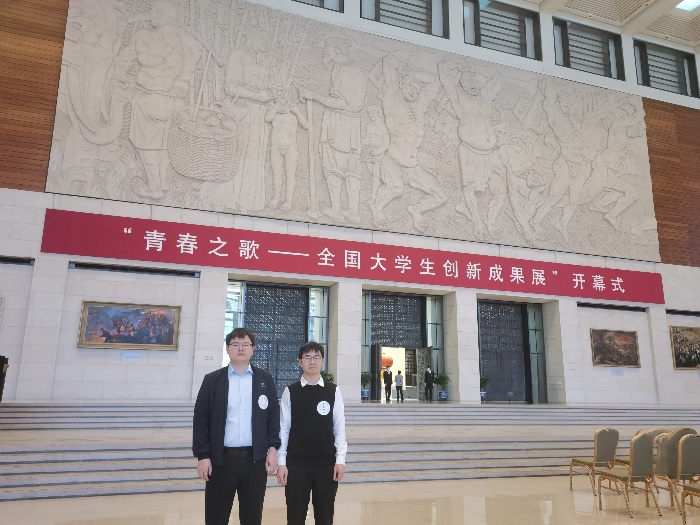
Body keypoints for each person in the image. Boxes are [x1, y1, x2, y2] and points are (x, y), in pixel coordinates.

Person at [192, 328, 281, 525]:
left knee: (252, 517)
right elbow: (200, 420)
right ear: (227, 348)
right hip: (221, 461)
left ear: (253, 349)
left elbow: (273, 417)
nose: (241, 348)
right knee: (216, 517)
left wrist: (273, 448)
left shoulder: (265, 379)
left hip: (255, 461)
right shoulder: (212, 380)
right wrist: (203, 455)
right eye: (235, 344)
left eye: (245, 344)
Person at [277, 342, 347, 525]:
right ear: (300, 362)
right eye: (307, 357)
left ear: (322, 360)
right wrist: (281, 463)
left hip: (326, 464)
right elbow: (283, 429)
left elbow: (339, 427)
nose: (312, 361)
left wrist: (340, 460)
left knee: (325, 517)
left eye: (316, 357)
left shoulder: (333, 391)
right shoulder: (290, 391)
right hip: (296, 465)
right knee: (295, 517)